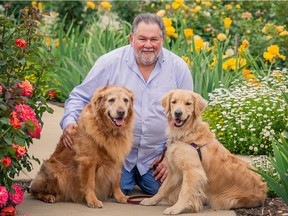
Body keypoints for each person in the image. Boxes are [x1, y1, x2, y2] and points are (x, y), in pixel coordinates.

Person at [60, 12, 193, 195]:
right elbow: (80, 96)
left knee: (168, 191)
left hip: (155, 157)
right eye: (142, 39)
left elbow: (190, 119)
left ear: (162, 39)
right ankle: (126, 177)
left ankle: (147, 175)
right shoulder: (109, 62)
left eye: (154, 39)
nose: (148, 45)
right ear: (131, 39)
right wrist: (69, 122)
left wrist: (171, 157)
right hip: (116, 155)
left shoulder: (178, 68)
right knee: (109, 189)